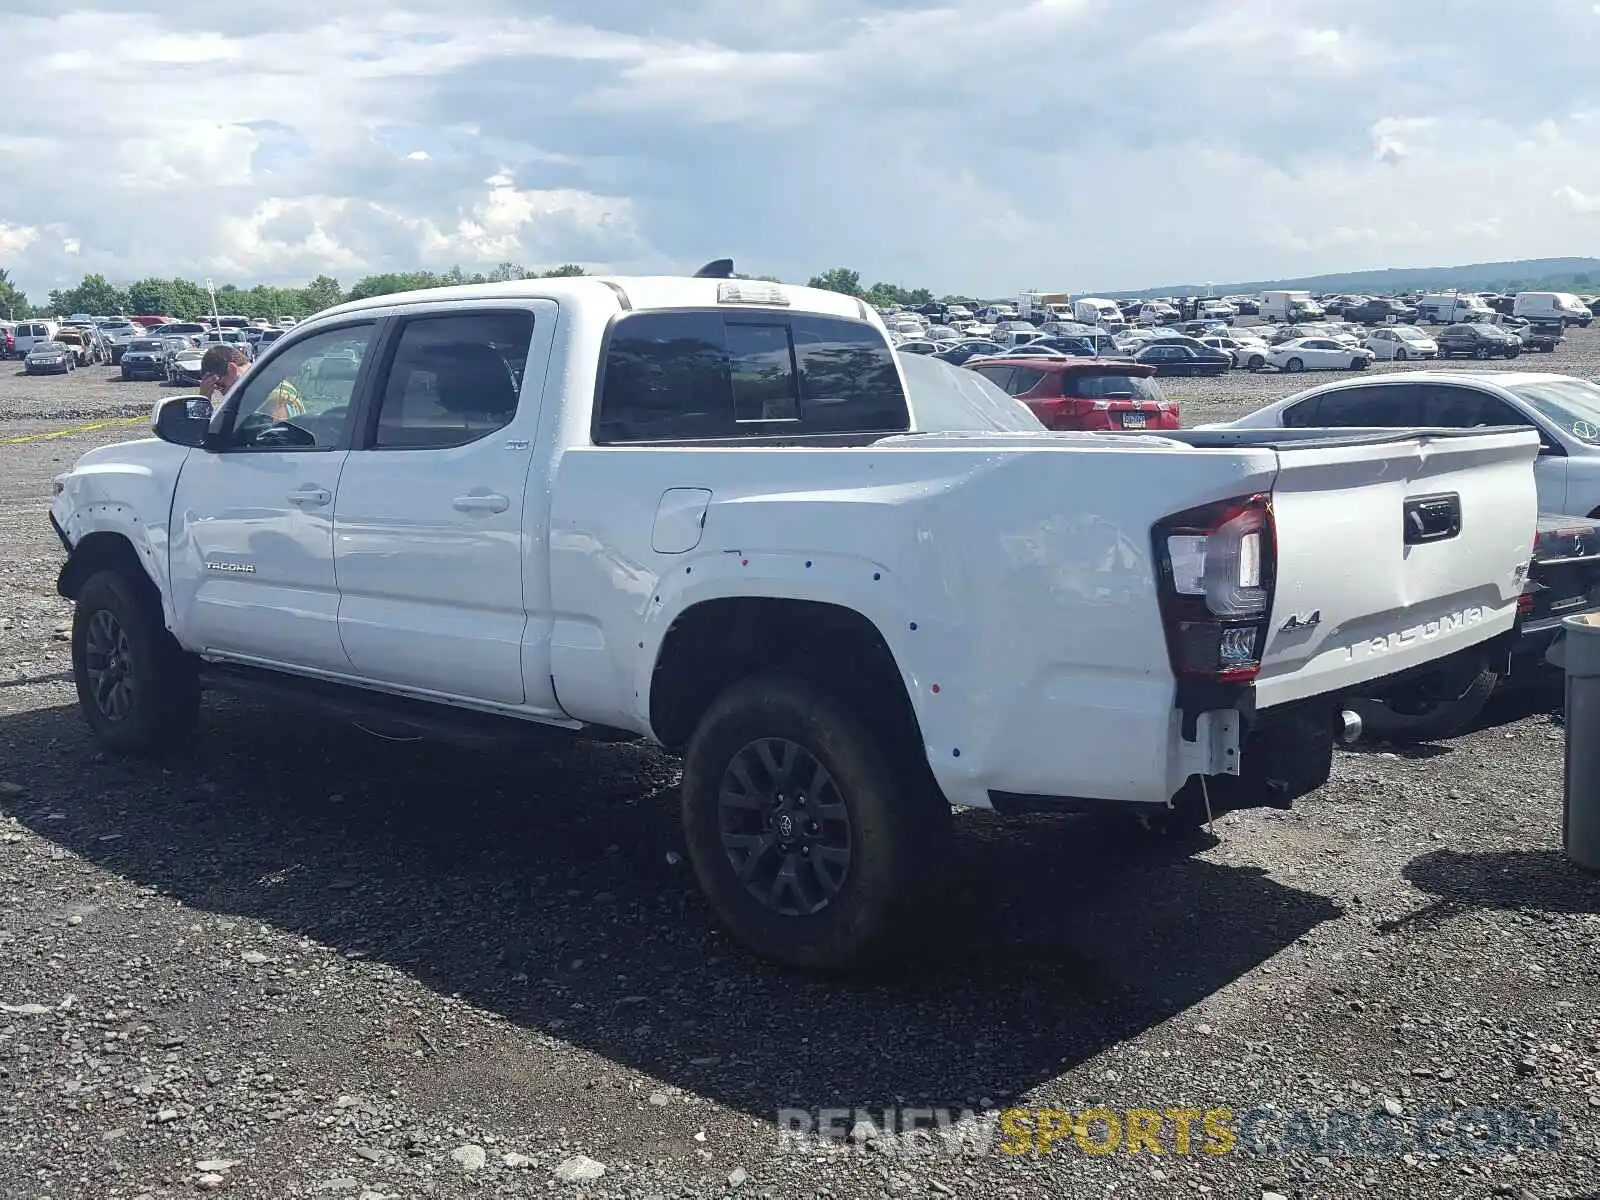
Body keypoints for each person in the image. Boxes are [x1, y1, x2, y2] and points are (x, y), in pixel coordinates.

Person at [197, 344, 305, 421]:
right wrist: (205, 398)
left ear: (231, 370)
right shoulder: (260, 388)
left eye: (220, 386)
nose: (222, 393)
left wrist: (203, 401)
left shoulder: (271, 395)